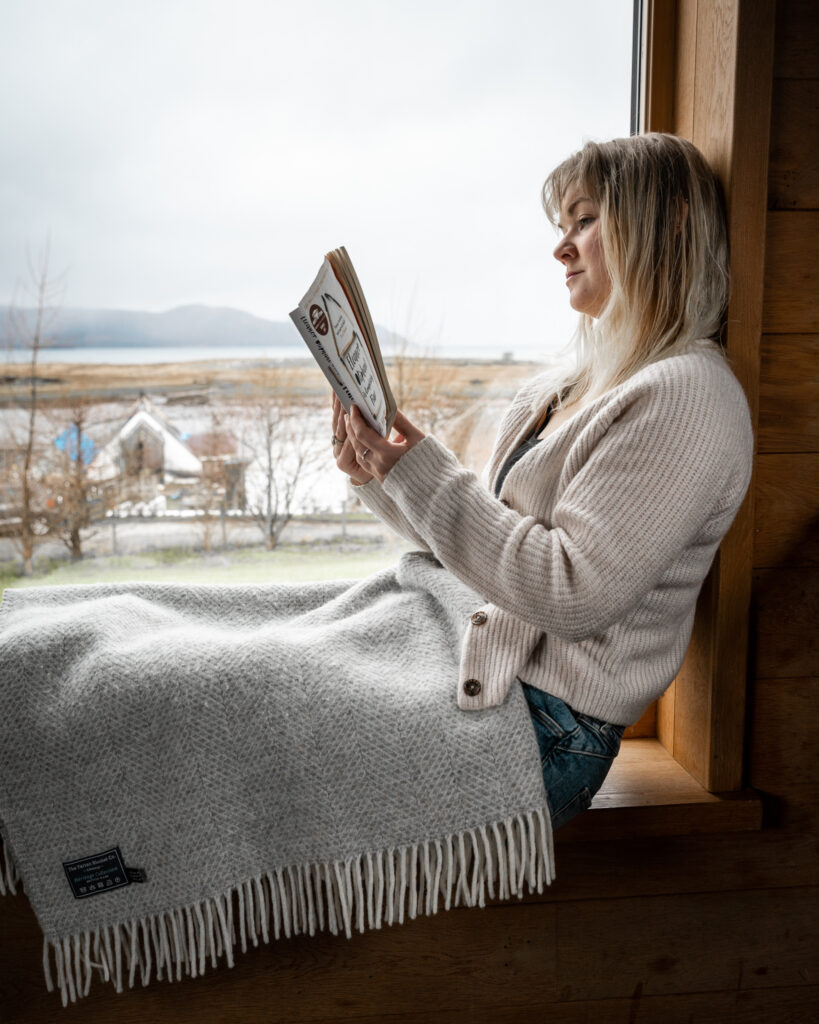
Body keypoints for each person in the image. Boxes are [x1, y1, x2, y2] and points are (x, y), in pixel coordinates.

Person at [329, 132, 754, 831]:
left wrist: (423, 474)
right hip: (490, 662)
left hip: (545, 727)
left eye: (584, 220)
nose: (560, 249)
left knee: (214, 691)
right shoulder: (560, 390)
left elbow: (569, 591)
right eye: (562, 227)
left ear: (670, 221)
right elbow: (494, 554)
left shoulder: (687, 395)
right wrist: (383, 473)